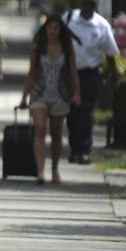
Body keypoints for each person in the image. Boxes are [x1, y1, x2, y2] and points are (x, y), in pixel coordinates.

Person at [20, 15, 82, 184]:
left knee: (56, 134)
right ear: (45, 30)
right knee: (39, 129)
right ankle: (40, 171)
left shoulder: (67, 48)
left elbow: (73, 72)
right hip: (39, 93)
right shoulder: (38, 47)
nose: (52, 31)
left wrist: (76, 93)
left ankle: (54, 169)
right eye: (49, 28)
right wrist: (24, 97)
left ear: (61, 31)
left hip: (60, 95)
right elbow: (31, 72)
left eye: (56, 28)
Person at [65, 0, 119, 164]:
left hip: (90, 73)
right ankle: (74, 149)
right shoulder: (69, 19)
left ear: (95, 6)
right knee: (72, 111)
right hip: (70, 72)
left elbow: (110, 53)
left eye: (91, 5)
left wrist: (114, 75)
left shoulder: (101, 25)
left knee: (86, 111)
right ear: (81, 4)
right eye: (86, 4)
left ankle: (84, 150)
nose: (88, 7)